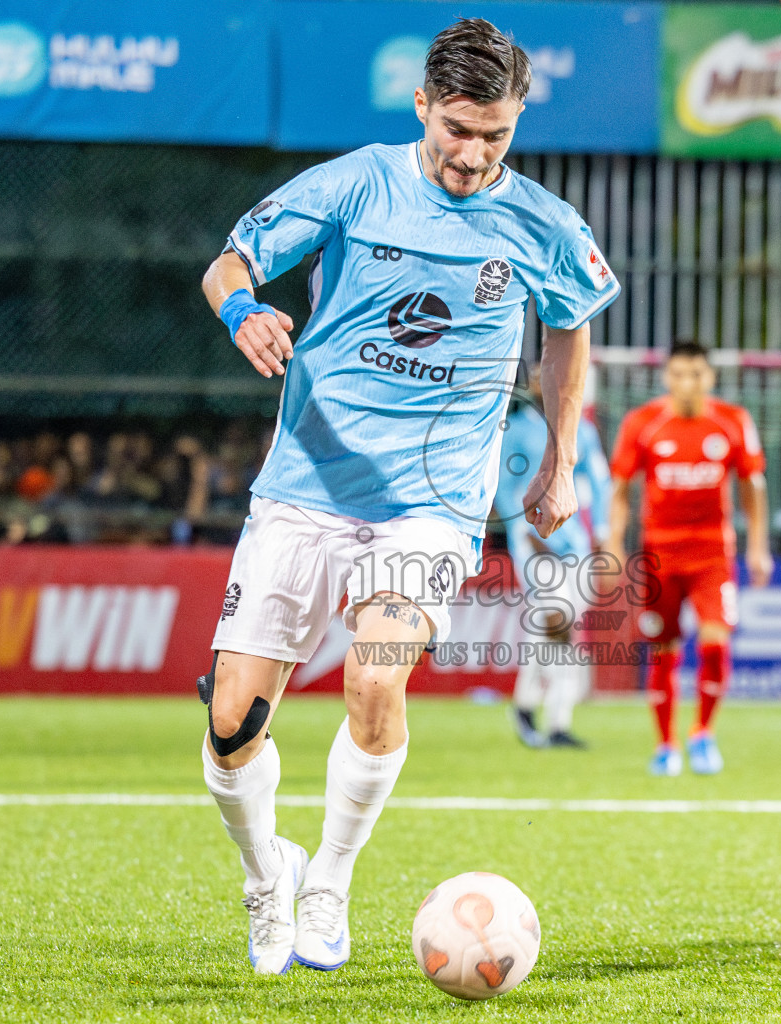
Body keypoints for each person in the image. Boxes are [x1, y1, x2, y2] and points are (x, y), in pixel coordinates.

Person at [195, 18, 620, 976]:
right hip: (305, 484)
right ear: (422, 105)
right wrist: (244, 309)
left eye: (496, 135)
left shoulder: (547, 225)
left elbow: (569, 330)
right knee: (231, 724)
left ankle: (330, 880)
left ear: (518, 120)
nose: (473, 155)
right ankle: (270, 874)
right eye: (457, 130)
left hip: (432, 504)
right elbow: (228, 263)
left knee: (375, 675)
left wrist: (558, 458)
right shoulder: (352, 183)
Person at [606, 342, 771, 776]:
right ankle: (665, 745)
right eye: (678, 374)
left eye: (696, 374)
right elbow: (620, 489)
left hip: (713, 552)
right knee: (663, 650)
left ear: (709, 378)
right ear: (666, 377)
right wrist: (612, 542)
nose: (687, 383)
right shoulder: (643, 423)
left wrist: (757, 546)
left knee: (715, 641)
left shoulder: (733, 422)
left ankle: (702, 734)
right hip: (659, 553)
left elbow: (754, 487)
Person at [493, 364, 612, 749]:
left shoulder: (584, 430)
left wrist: (605, 537)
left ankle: (531, 709)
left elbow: (600, 483)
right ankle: (553, 719)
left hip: (577, 545)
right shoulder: (518, 430)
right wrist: (528, 532)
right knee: (556, 624)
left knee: (549, 630)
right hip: (536, 545)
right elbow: (504, 490)